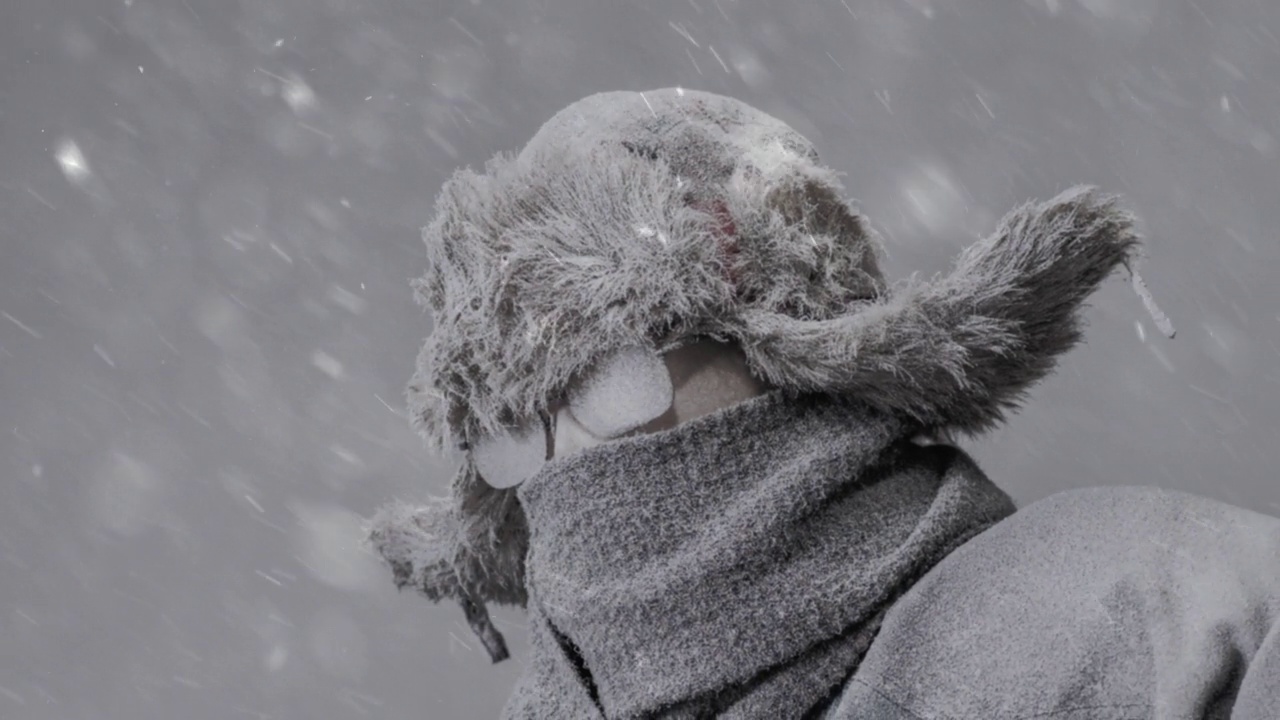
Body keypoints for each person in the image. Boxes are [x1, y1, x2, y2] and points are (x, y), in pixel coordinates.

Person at [369, 88, 1280, 719]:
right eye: (513, 439)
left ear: (797, 356)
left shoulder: (1159, 611)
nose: (570, 465)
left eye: (611, 384)